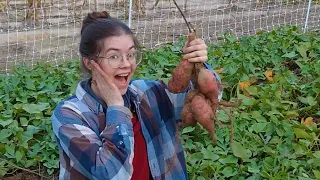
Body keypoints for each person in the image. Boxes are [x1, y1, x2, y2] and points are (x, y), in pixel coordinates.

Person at [51, 11, 221, 180]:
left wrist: (198, 66)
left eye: (131, 54)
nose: (126, 64)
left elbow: (207, 103)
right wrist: (116, 106)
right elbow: (112, 175)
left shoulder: (148, 94)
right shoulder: (70, 115)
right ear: (89, 63)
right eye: (114, 56)